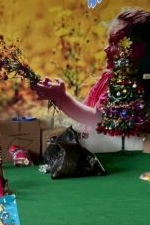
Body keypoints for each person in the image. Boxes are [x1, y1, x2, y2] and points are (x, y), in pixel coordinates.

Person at [33, 9, 150, 151]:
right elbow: (86, 111)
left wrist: (62, 98)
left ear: (137, 50)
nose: (106, 48)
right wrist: (60, 98)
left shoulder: (127, 86)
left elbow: (96, 119)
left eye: (114, 43)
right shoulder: (109, 78)